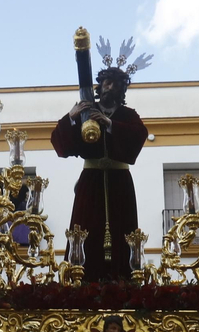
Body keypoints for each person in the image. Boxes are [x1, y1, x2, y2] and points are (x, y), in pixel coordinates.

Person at [51, 52, 150, 282]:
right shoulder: (86, 111)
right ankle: (80, 280)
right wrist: (72, 117)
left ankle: (124, 280)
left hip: (120, 183)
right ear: (99, 85)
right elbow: (60, 143)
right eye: (106, 82)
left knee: (122, 232)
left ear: (121, 90)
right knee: (86, 229)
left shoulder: (127, 115)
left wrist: (109, 123)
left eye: (115, 84)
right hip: (91, 182)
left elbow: (139, 135)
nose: (109, 87)